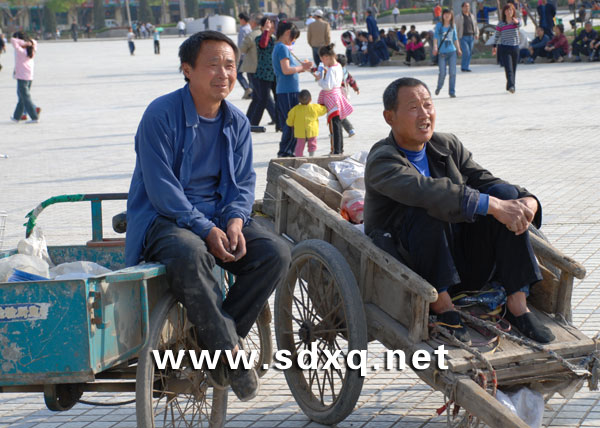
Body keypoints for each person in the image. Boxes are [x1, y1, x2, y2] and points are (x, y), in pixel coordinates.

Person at [125, 30, 291, 401]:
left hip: (218, 216)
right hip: (165, 218)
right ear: (187, 70)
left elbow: (243, 184)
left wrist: (234, 221)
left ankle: (211, 340)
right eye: (213, 64)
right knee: (192, 252)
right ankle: (229, 352)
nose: (224, 73)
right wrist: (204, 229)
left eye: (230, 65)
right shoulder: (160, 115)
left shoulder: (237, 122)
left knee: (275, 254)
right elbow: (162, 189)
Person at [364, 77, 555, 345]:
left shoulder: (447, 145)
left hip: (459, 260)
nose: (424, 114)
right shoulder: (382, 160)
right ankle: (442, 307)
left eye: (428, 105)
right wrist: (493, 206)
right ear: (389, 117)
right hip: (411, 266)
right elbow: (427, 191)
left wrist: (527, 200)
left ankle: (517, 303)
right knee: (428, 209)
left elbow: (486, 180)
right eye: (413, 108)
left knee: (504, 195)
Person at [272, 21, 313, 157]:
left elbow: (289, 70)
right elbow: (286, 70)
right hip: (287, 91)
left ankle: (289, 151)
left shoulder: (280, 47)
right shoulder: (282, 48)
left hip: (287, 90)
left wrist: (303, 68)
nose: (293, 41)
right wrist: (302, 67)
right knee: (292, 123)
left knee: (291, 122)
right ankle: (286, 152)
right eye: (293, 38)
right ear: (288, 33)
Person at [314, 44, 353, 155]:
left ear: (326, 57)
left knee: (334, 126)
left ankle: (336, 150)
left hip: (332, 98)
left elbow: (327, 86)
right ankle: (339, 149)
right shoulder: (338, 66)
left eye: (322, 59)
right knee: (337, 125)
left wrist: (319, 79)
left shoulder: (331, 70)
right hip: (337, 96)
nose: (322, 62)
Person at [249, 17, 277, 127]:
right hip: (263, 74)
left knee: (278, 98)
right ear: (262, 27)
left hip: (274, 73)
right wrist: (266, 31)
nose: (271, 29)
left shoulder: (275, 39)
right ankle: (254, 124)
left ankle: (280, 123)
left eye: (272, 27)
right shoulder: (258, 39)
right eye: (268, 27)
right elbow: (263, 45)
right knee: (263, 100)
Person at [10, 32, 40, 123]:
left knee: (26, 98)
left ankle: (34, 117)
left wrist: (23, 43)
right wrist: (28, 42)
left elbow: (12, 40)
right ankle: (16, 117)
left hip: (22, 77)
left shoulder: (21, 51)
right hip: (29, 76)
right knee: (22, 98)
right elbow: (34, 42)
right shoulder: (32, 49)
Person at [286, 89, 327, 157]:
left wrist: (290, 124)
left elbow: (290, 120)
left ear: (299, 100)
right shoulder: (315, 107)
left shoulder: (295, 109)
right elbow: (323, 110)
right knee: (312, 144)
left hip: (300, 131)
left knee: (299, 145)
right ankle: (311, 156)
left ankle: (299, 157)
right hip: (312, 130)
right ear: (310, 99)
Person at [491, 4, 521, 93]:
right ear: (504, 12)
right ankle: (512, 86)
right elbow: (497, 35)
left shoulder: (516, 21)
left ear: (513, 11)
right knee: (508, 68)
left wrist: (516, 22)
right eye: (507, 10)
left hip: (515, 47)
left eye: (511, 10)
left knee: (513, 68)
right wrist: (494, 46)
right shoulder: (501, 23)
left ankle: (510, 85)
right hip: (505, 48)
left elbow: (520, 25)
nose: (509, 12)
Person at [433, 9, 461, 98]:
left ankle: (452, 92)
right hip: (442, 53)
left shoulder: (453, 26)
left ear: (451, 16)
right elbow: (435, 37)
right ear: (442, 15)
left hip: (452, 52)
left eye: (449, 14)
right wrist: (435, 47)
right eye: (445, 14)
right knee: (442, 73)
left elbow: (455, 38)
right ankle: (439, 87)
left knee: (453, 73)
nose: (447, 16)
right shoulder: (439, 25)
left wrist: (458, 49)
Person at [336, 53, 358, 138]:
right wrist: (356, 88)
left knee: (338, 114)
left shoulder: (336, 71)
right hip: (344, 95)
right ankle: (336, 130)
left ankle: (349, 129)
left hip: (338, 96)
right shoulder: (345, 71)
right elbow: (352, 80)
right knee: (338, 113)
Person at [455, 1, 479, 72]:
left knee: (469, 52)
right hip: (463, 37)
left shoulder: (472, 16)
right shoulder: (458, 17)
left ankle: (466, 66)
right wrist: (456, 38)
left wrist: (477, 34)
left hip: (471, 37)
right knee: (466, 52)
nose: (467, 8)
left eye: (468, 6)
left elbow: (475, 26)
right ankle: (464, 66)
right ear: (462, 7)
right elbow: (456, 28)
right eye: (465, 6)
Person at [237, 12, 253, 99]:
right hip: (250, 55)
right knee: (250, 75)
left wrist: (239, 56)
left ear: (242, 19)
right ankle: (251, 92)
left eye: (239, 19)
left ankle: (247, 89)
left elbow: (241, 44)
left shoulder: (243, 29)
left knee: (238, 73)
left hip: (244, 56)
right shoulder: (249, 28)